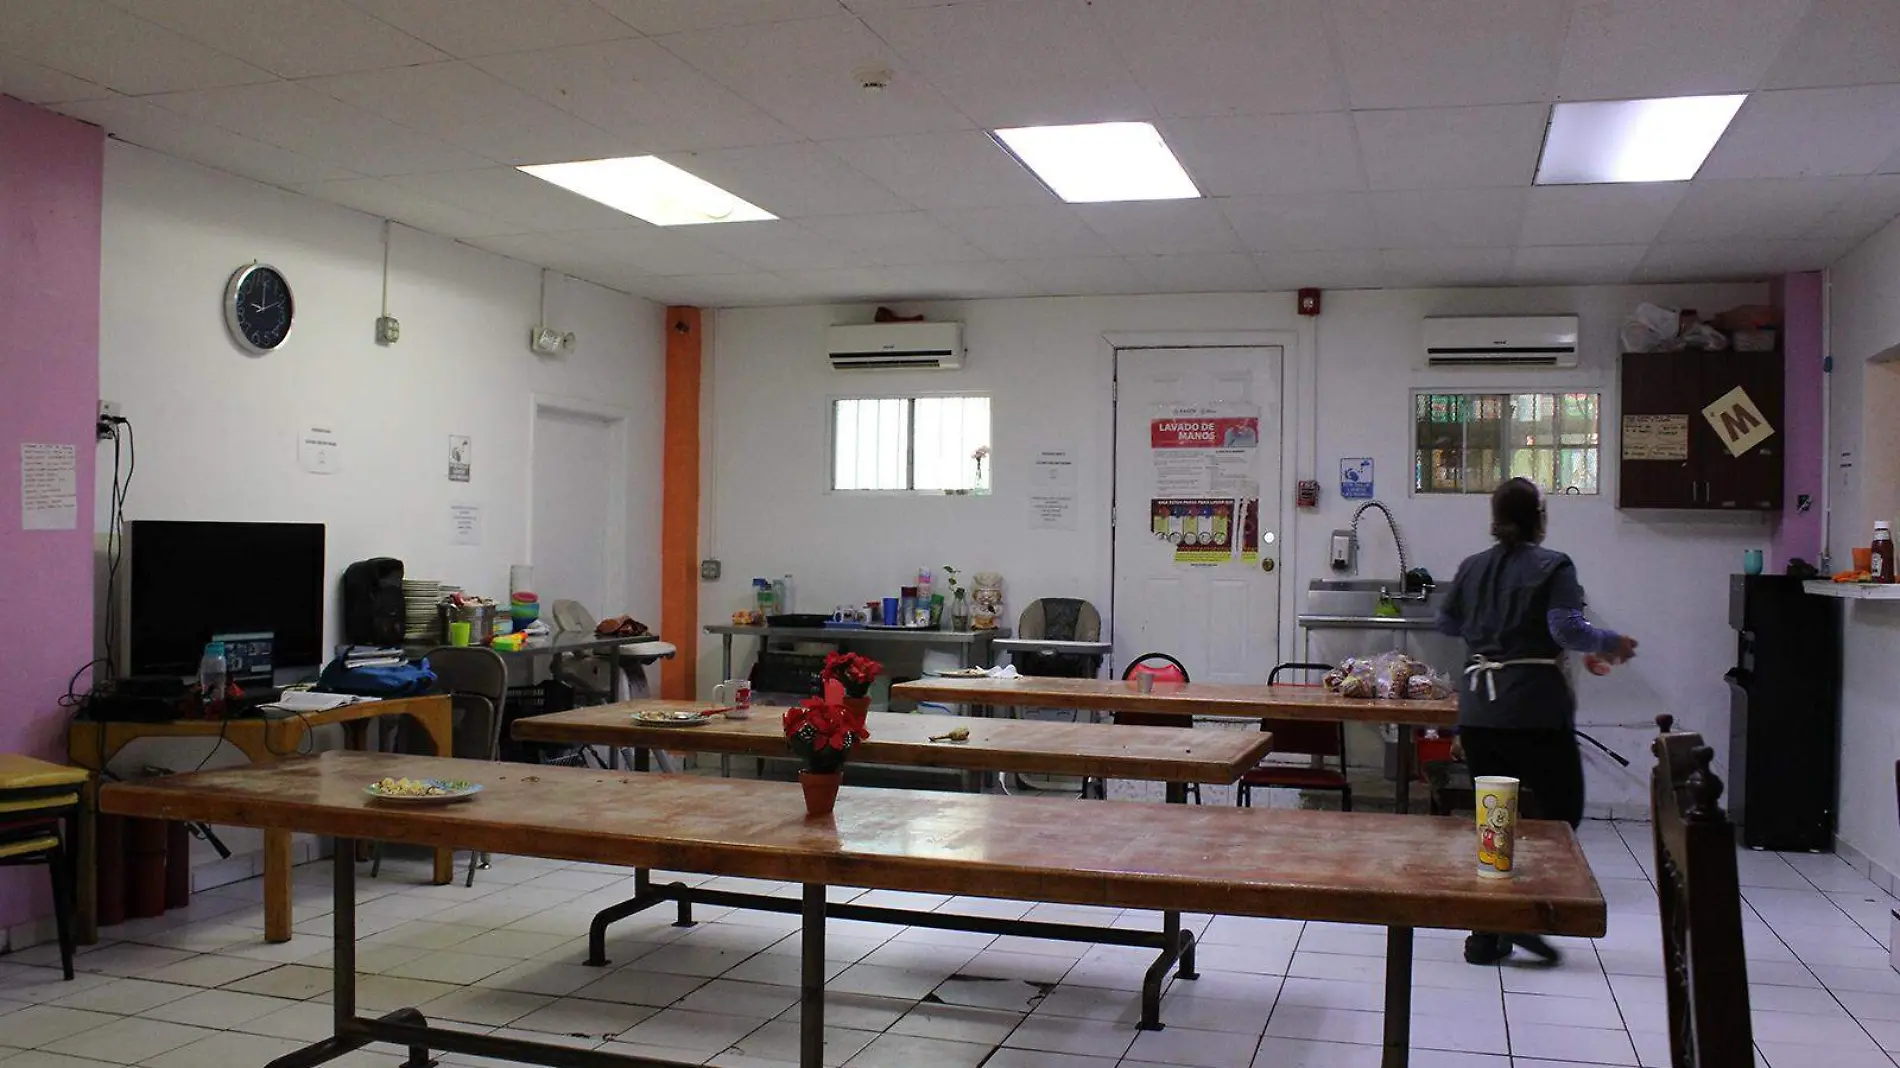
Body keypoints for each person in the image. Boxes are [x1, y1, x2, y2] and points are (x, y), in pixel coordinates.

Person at [1434, 477, 1638, 966]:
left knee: (1494, 820)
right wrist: (1610, 642)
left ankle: (1486, 933)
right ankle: (1525, 912)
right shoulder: (1554, 565)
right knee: (1561, 812)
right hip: (1534, 710)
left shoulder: (1472, 566)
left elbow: (1446, 622)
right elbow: (1565, 628)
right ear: (1539, 519)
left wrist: (1490, 635)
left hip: (1481, 713)